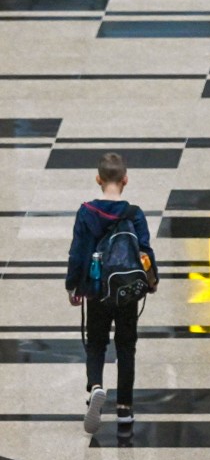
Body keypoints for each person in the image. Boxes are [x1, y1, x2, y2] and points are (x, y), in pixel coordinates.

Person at [65, 152, 158, 434]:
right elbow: (145, 251)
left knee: (96, 344)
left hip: (96, 289)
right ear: (125, 180)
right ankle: (125, 409)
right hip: (127, 289)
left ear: (98, 179)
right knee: (126, 346)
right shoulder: (134, 213)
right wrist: (152, 280)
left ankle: (95, 386)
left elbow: (78, 252)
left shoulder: (86, 212)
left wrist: (74, 285)